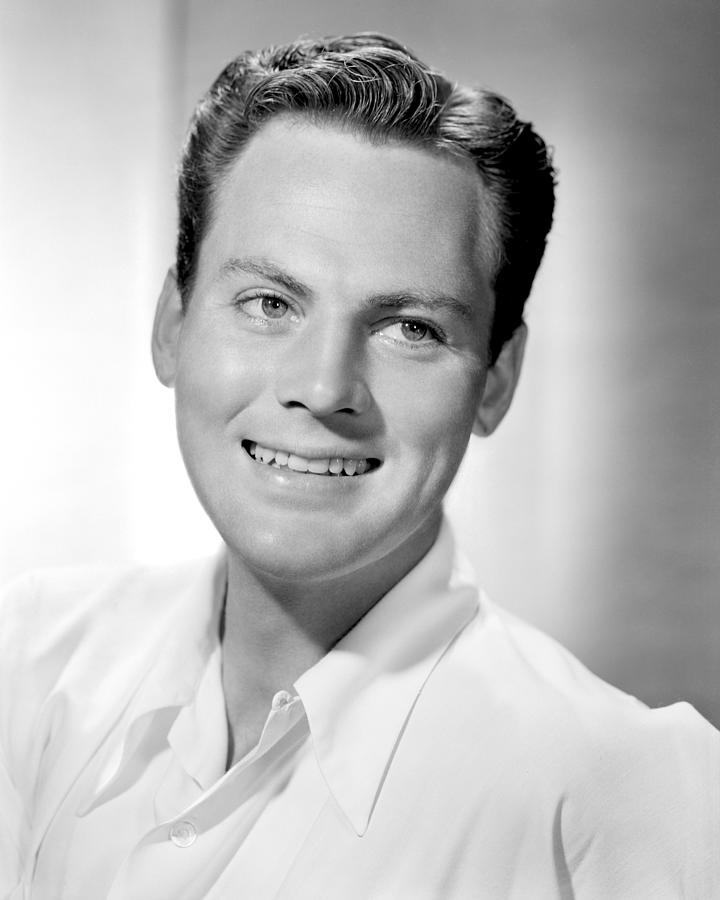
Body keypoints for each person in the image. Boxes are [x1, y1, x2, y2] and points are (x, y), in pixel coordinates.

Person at [1, 32, 717, 900]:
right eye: (269, 302)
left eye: (411, 327)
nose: (321, 386)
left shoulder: (624, 789)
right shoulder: (30, 667)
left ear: (496, 380)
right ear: (172, 324)